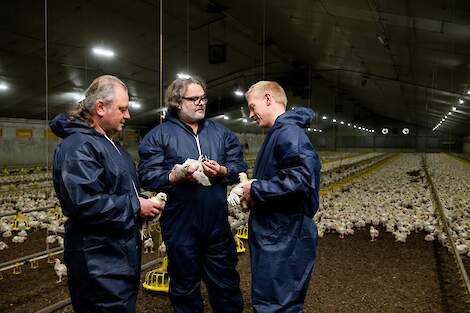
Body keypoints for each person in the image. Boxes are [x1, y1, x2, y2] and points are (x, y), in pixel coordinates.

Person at [50, 75, 163, 313]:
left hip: (115, 256)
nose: (128, 115)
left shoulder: (107, 144)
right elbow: (86, 203)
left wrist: (142, 206)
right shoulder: (79, 146)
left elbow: (117, 190)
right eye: (122, 109)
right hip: (98, 262)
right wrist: (136, 207)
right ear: (100, 108)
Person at [138, 76, 246, 313]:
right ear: (177, 102)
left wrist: (223, 171)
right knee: (184, 288)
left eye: (203, 98)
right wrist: (174, 177)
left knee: (226, 284)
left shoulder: (221, 133)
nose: (201, 103)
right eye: (194, 98)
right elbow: (146, 175)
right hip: (180, 225)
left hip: (216, 224)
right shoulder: (159, 135)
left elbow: (239, 166)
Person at [240, 81, 321, 313]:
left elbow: (301, 181)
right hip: (277, 232)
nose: (250, 114)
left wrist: (255, 189)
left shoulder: (288, 133)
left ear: (268, 99)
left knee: (277, 305)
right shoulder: (280, 133)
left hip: (284, 234)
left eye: (252, 106)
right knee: (272, 302)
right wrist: (255, 194)